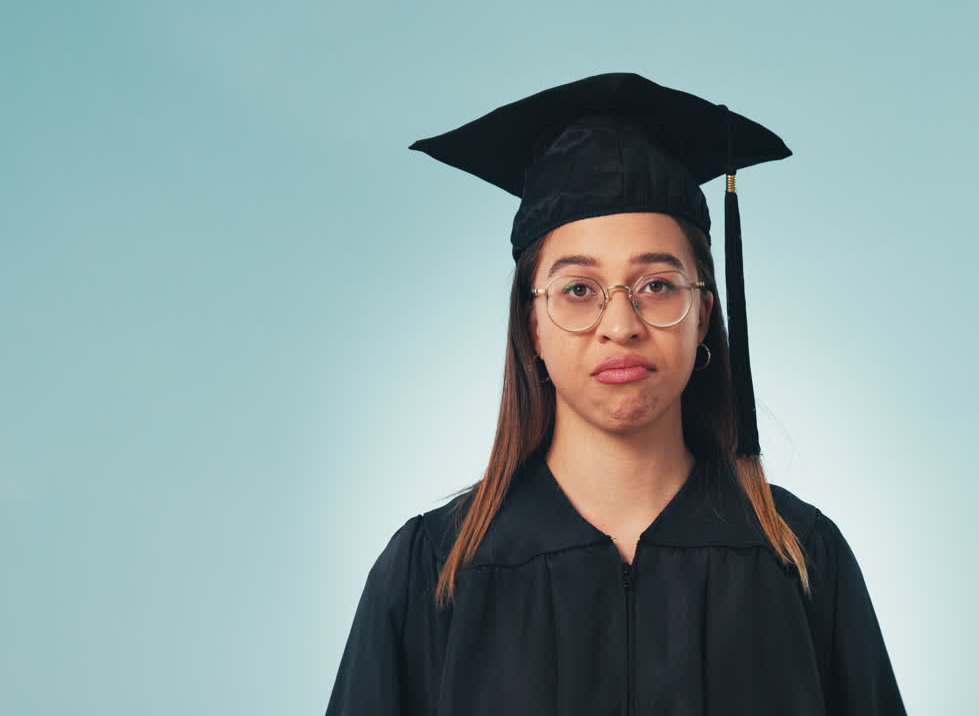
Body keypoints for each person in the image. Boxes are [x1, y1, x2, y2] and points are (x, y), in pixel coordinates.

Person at [324, 72, 907, 715]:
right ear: (532, 325)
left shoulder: (800, 557)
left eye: (657, 284)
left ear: (704, 313)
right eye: (578, 290)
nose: (621, 324)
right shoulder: (433, 572)